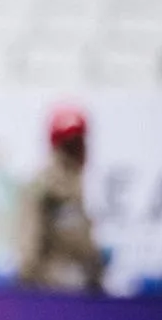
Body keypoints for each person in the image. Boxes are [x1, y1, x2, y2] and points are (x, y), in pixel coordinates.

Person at [15, 106, 105, 294]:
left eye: (78, 143)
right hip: (51, 286)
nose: (78, 150)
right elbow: (29, 242)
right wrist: (29, 278)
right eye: (71, 144)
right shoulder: (44, 186)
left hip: (81, 283)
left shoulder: (80, 183)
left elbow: (85, 243)